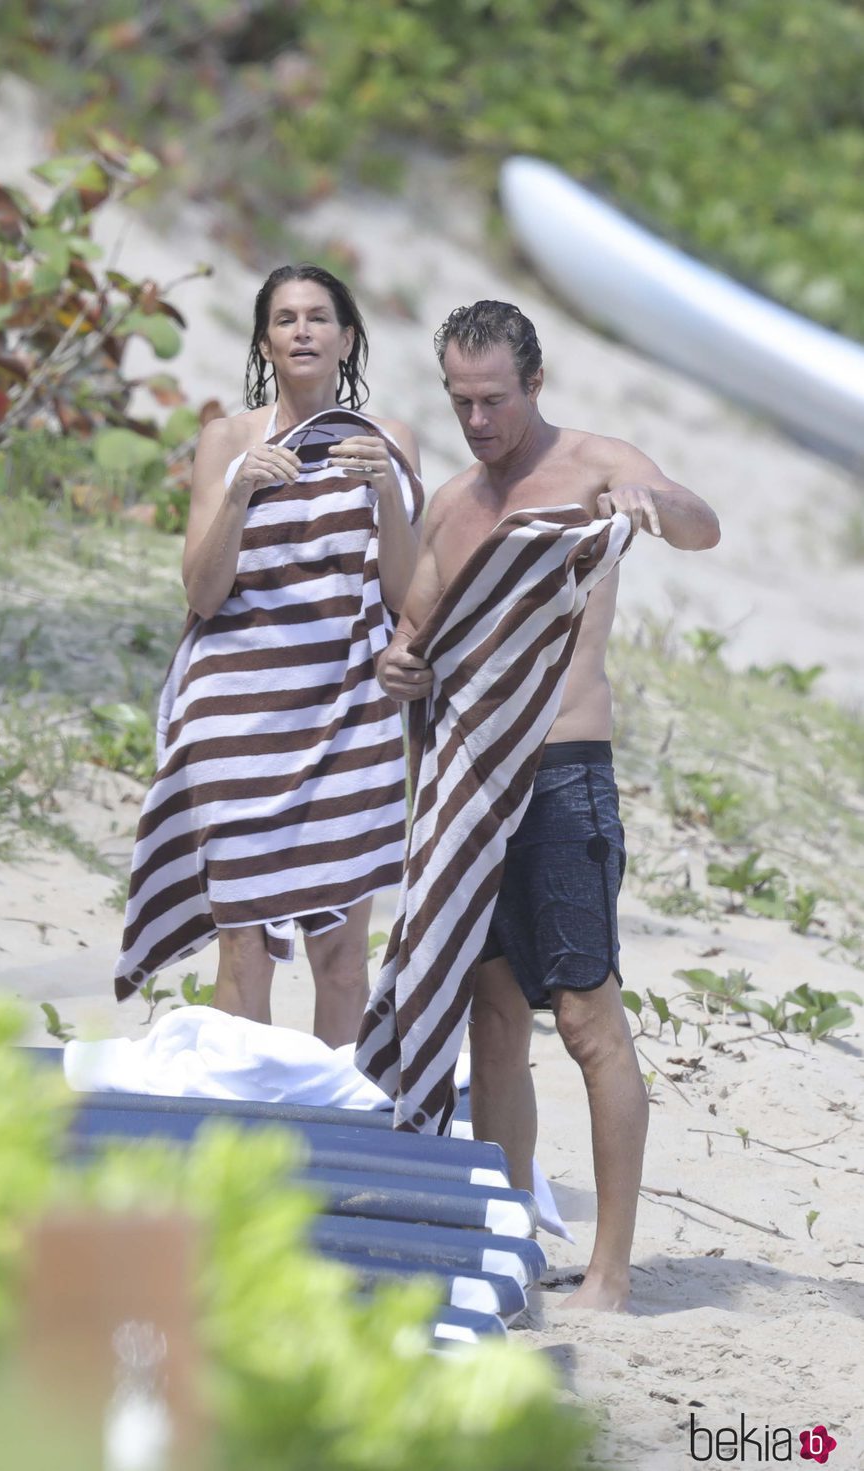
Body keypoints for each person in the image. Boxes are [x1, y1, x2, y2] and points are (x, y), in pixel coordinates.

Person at [373, 300, 720, 1310]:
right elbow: (413, 634)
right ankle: (504, 1238)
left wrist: (654, 503)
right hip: (468, 779)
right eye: (460, 401)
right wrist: (400, 668)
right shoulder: (450, 504)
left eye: (492, 399)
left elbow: (698, 522)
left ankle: (608, 1273)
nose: (477, 419)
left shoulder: (591, 468)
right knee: (488, 1015)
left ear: (532, 384)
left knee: (584, 1018)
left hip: (562, 775)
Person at [114, 264, 423, 1046]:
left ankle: (330, 1135)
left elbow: (402, 591)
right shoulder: (227, 439)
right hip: (236, 713)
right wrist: (242, 492)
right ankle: (240, 1126)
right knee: (244, 941)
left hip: (348, 708)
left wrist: (387, 489)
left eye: (319, 317)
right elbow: (203, 590)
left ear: (347, 337)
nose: (303, 331)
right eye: (285, 319)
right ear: (264, 340)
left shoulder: (391, 440)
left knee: (343, 954)